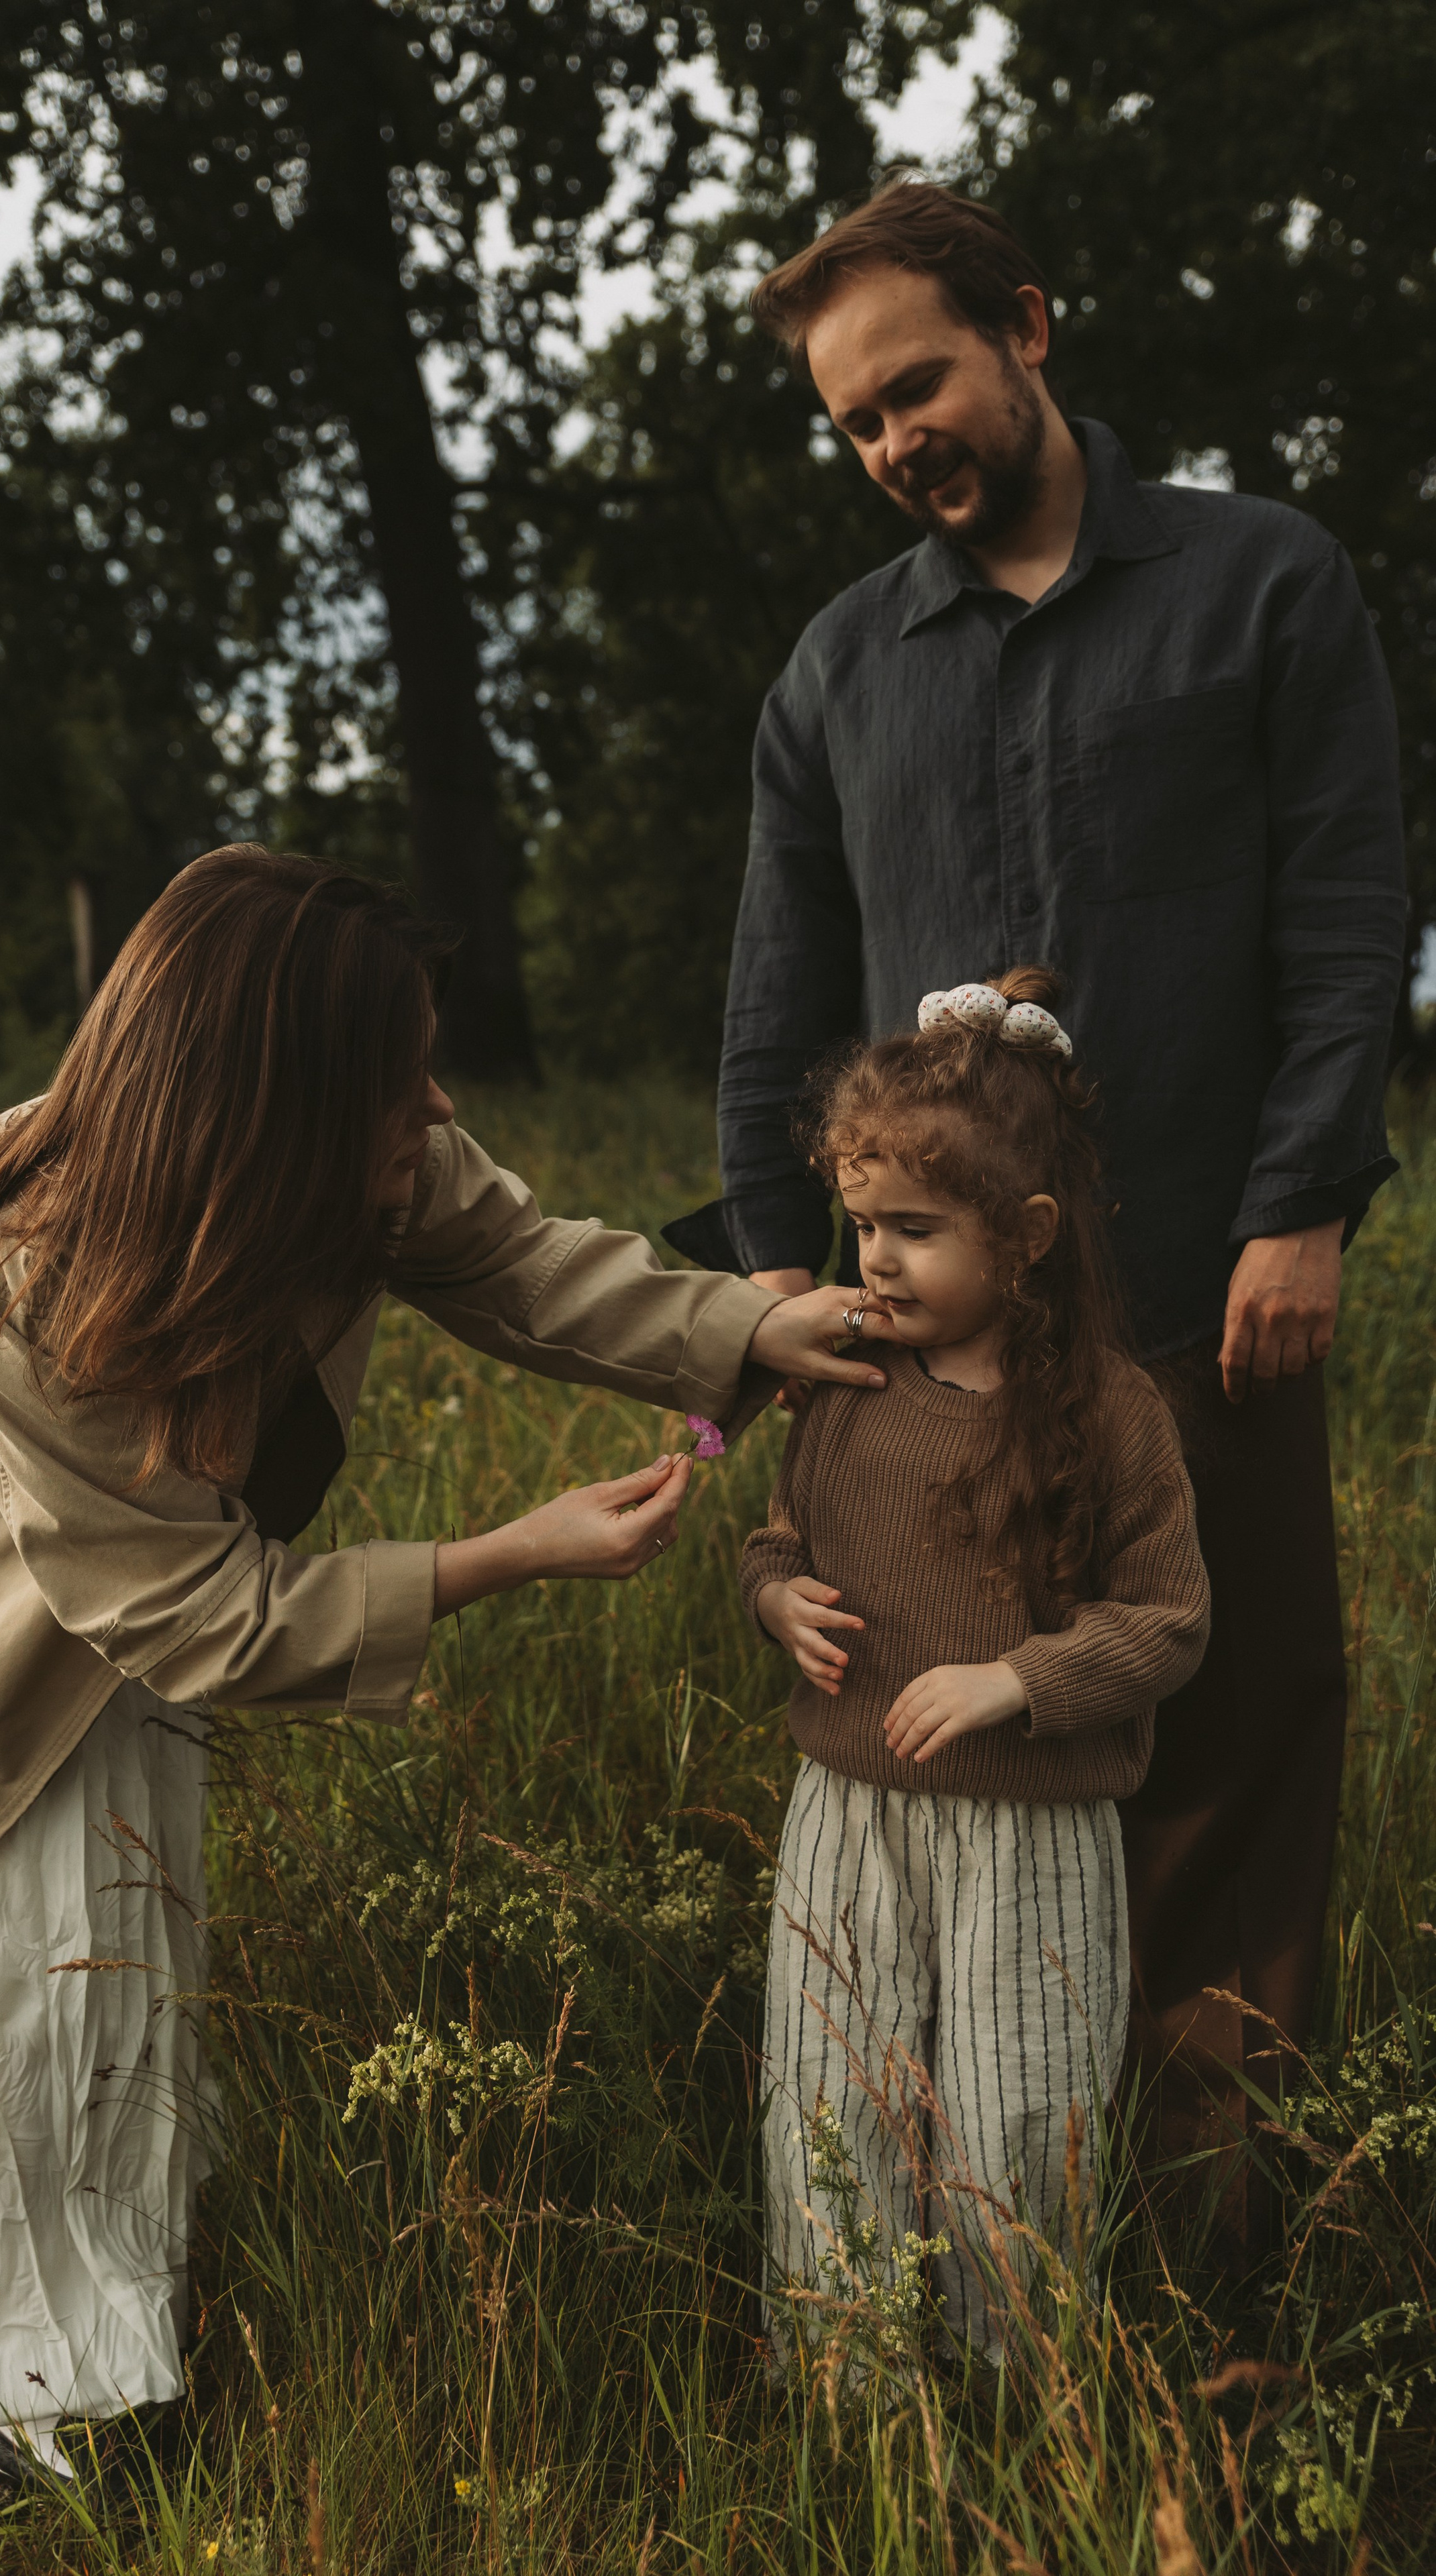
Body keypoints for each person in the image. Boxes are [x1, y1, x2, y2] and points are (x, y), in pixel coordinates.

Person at [0, 844, 880, 2480]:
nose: (435, 1105)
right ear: (267, 1098)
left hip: (126, 1555)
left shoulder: (361, 1132)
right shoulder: (42, 1271)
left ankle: (87, 2334)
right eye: (401, 1081)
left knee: (104, 1941)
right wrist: (512, 1552)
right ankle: (12, 2389)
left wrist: (749, 1331)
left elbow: (517, 1258)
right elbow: (200, 1620)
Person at [686, 177, 1406, 2243]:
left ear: (1029, 326)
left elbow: (1352, 920)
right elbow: (773, 1014)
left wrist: (1302, 1209)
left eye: (915, 382)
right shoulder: (835, 675)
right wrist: (764, 1293)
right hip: (938, 1353)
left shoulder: (1265, 585)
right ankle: (991, 2247)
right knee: (967, 1790)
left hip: (1209, 1291)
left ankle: (1208, 2271)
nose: (894, 438)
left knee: (1232, 1750)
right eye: (853, 422)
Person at [744, 973, 1209, 2348]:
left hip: (1030, 1823)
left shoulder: (1113, 1416)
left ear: (1024, 1238)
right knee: (835, 2098)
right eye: (858, 1224)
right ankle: (854, 2386)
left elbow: (1168, 1622)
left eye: (913, 1230)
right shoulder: (845, 1386)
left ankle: (1016, 2398)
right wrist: (777, 1604)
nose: (872, 1260)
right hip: (847, 1809)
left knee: (1017, 2111)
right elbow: (778, 1542)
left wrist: (1017, 1681)